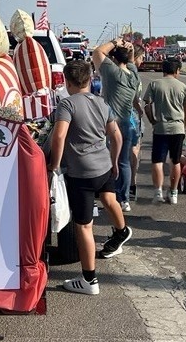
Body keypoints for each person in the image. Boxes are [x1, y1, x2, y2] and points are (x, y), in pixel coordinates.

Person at [47, 59, 132, 295]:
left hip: (81, 172)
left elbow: (59, 136)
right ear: (89, 79)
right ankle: (122, 230)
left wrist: (54, 164)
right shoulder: (102, 103)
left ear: (67, 80)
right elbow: (116, 136)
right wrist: (114, 161)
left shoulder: (67, 104)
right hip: (103, 165)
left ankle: (89, 279)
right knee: (108, 199)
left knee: (84, 226)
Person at [92, 36, 141, 212]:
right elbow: (132, 61)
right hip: (128, 121)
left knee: (106, 160)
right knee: (124, 162)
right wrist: (130, 49)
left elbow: (97, 52)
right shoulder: (133, 74)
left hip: (110, 122)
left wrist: (114, 42)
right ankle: (124, 198)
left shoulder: (112, 72)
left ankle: (108, 195)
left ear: (113, 59)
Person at [143, 57, 186, 205]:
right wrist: (183, 126)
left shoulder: (154, 84)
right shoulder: (182, 86)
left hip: (160, 128)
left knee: (158, 161)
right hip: (178, 128)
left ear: (163, 70)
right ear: (177, 70)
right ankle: (173, 192)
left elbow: (147, 105)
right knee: (175, 161)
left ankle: (158, 192)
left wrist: (153, 120)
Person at [129, 46, 147, 200]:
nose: (142, 61)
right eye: (141, 57)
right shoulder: (132, 74)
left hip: (126, 116)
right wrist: (140, 110)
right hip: (133, 117)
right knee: (134, 150)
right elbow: (134, 97)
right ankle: (131, 183)